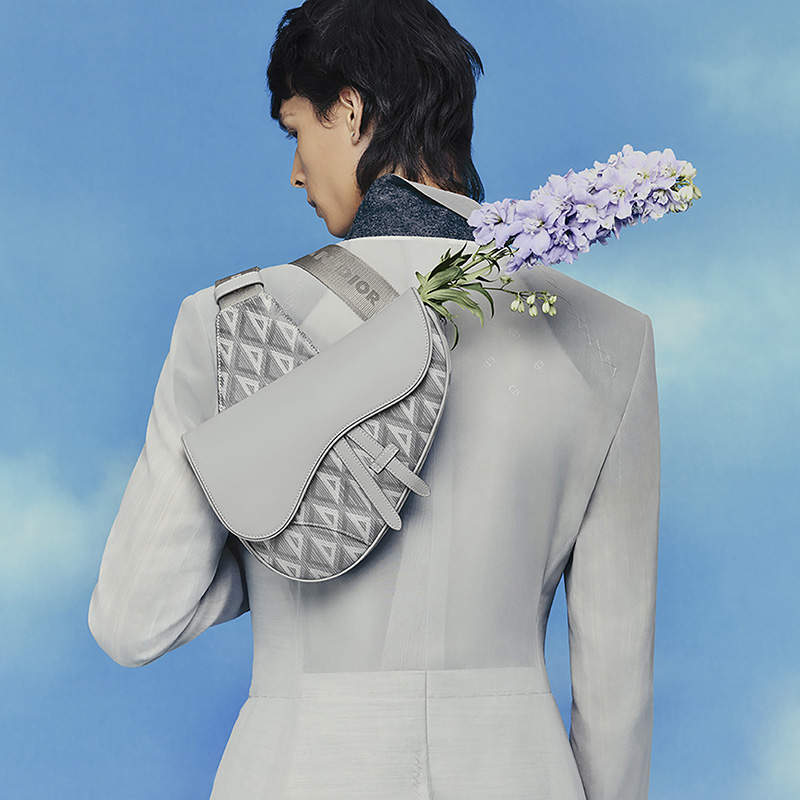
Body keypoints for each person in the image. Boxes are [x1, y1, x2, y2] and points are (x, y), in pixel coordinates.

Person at [88, 1, 660, 798]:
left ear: (351, 111)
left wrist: (275, 546)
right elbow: (616, 686)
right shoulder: (611, 339)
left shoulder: (229, 324)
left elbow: (134, 622)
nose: (296, 171)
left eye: (297, 131)